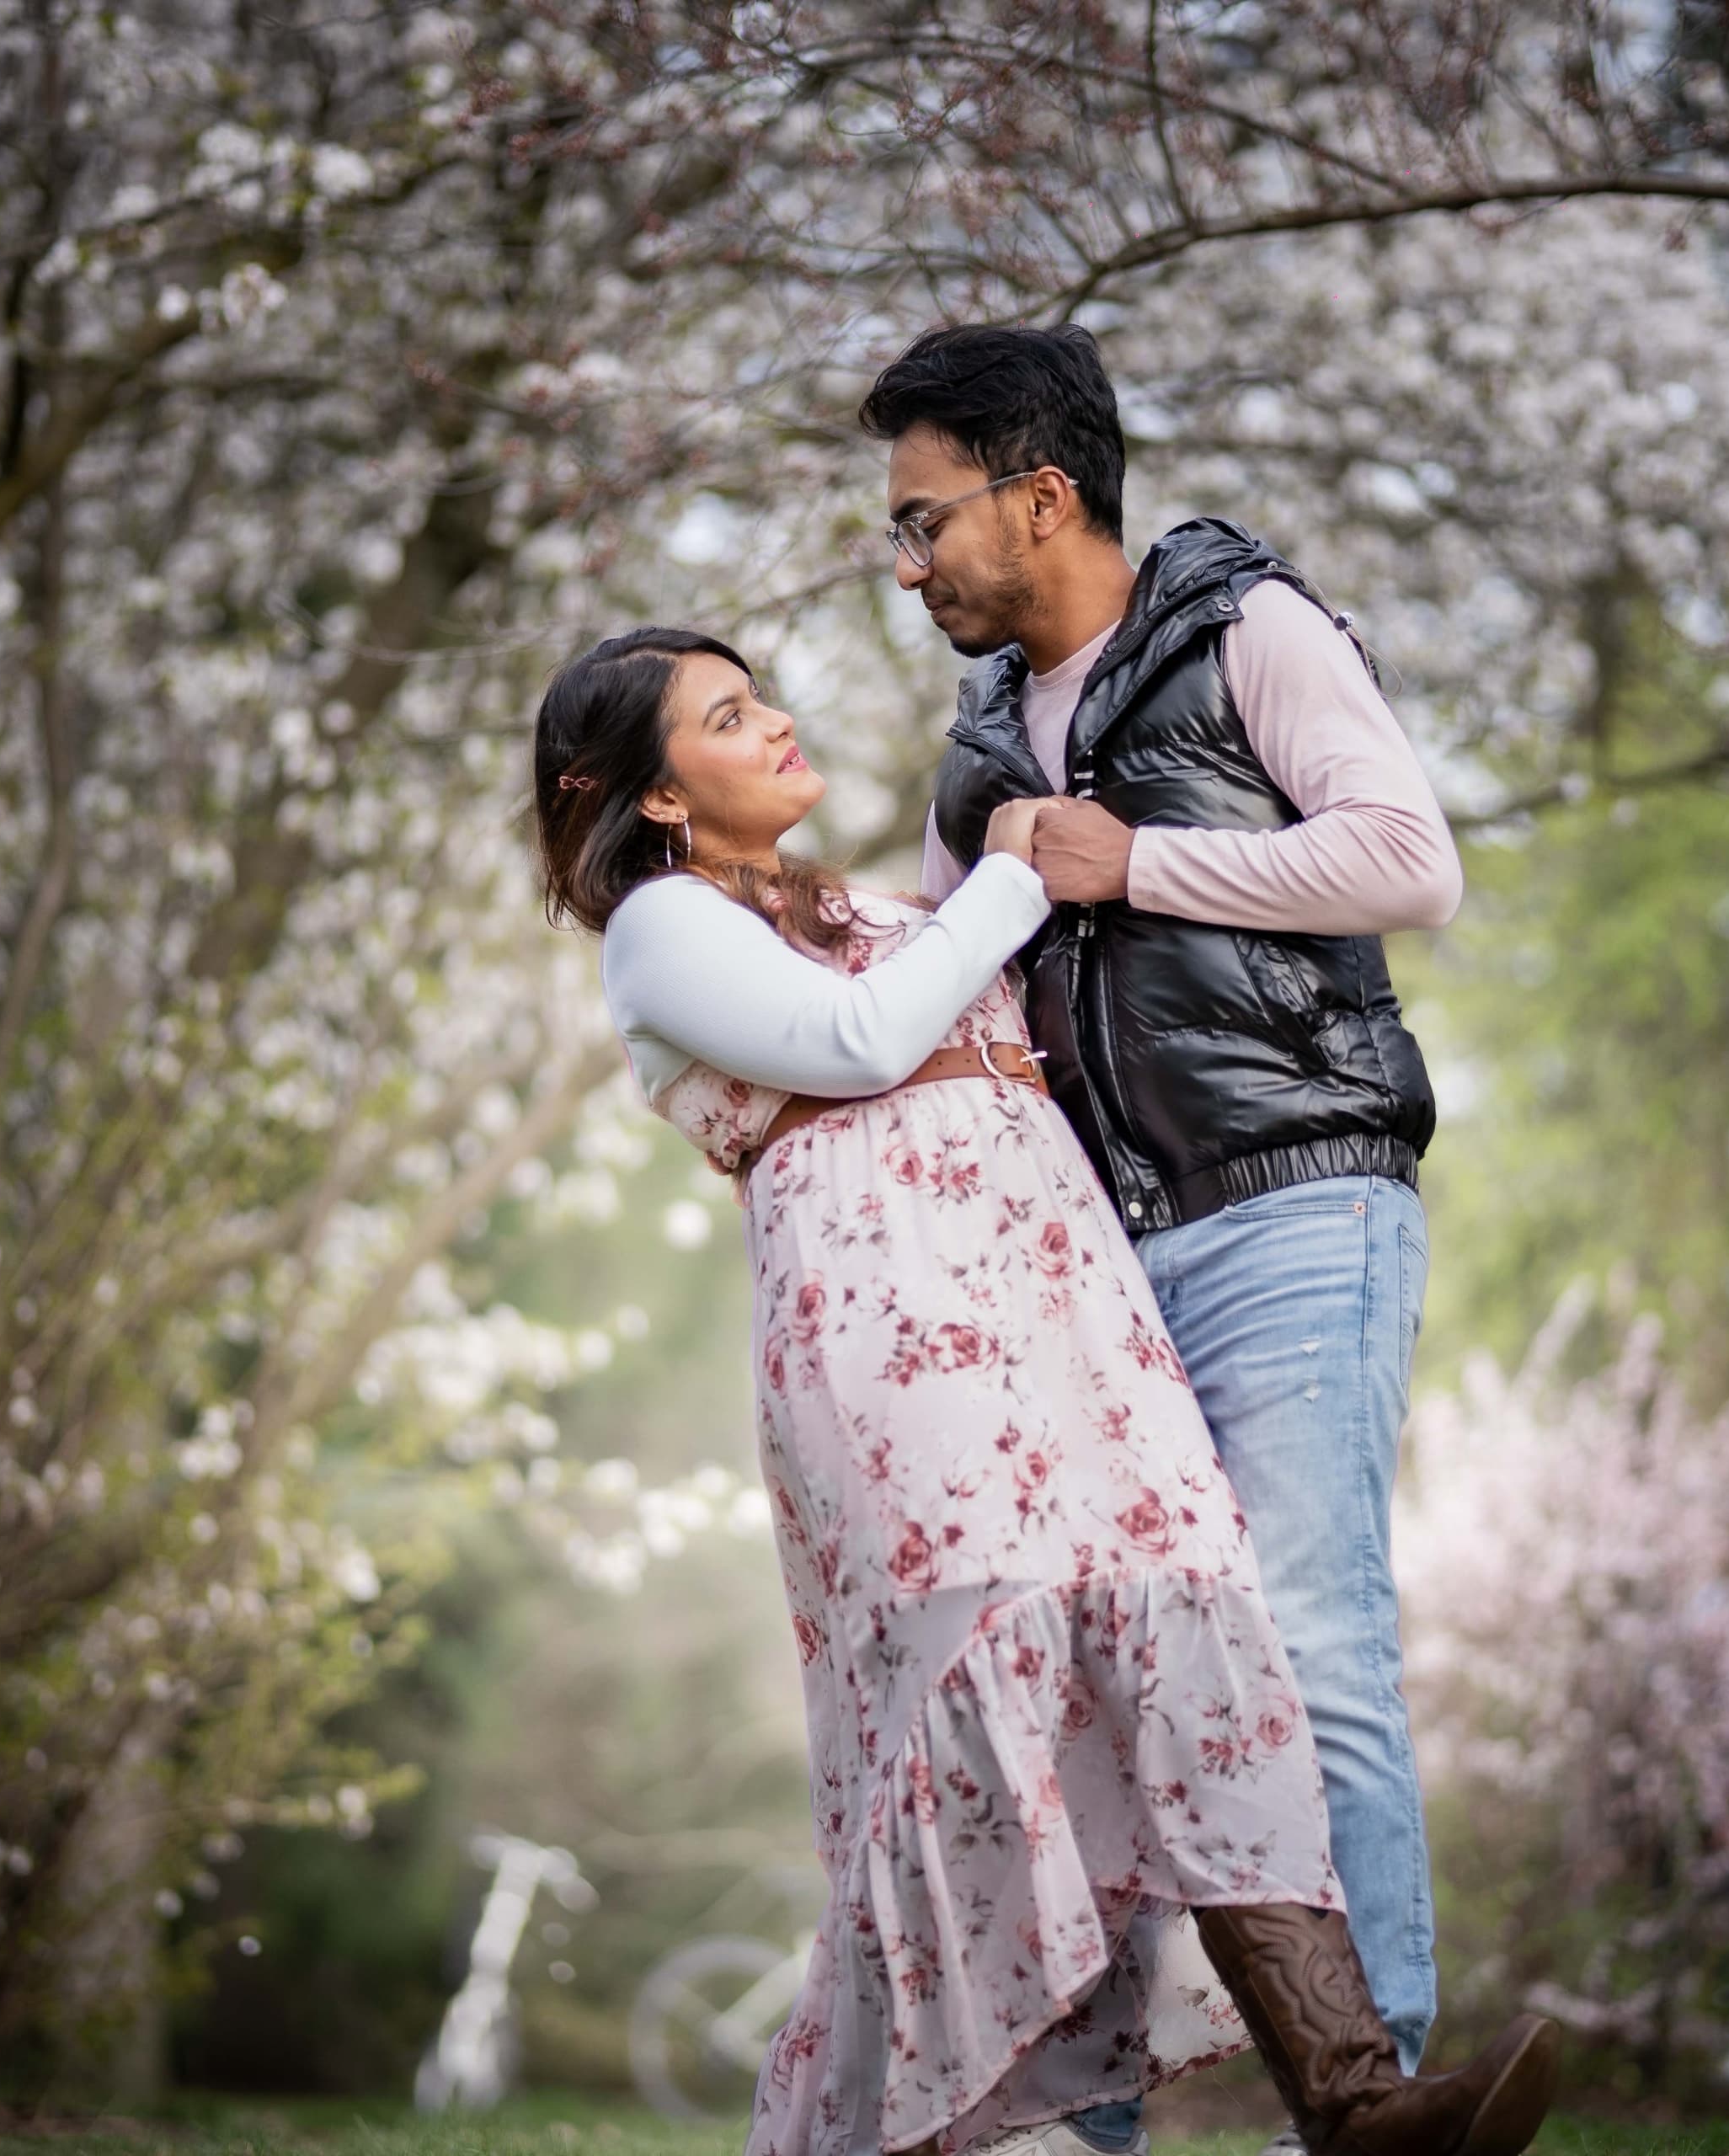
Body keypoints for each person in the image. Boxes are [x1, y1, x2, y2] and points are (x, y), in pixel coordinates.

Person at [531, 628, 1558, 2156]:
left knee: (1196, 1655)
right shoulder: (660, 929)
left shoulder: (870, 907)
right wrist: (1018, 866)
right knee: (987, 1710)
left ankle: (1354, 2104)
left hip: (1068, 1315)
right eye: (730, 718)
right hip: (903, 1342)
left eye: (762, 698)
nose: (779, 724)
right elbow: (858, 1039)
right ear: (656, 796)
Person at [863, 323, 1473, 2156]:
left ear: (1040, 492)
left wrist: (1137, 862)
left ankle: (1373, 2106)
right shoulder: (975, 751)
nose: (907, 567)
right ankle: (1085, 2127)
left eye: (922, 521)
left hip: (1297, 1200)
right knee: (1112, 1706)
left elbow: (1406, 861)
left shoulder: (1245, 629)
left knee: (1306, 1642)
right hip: (1094, 1280)